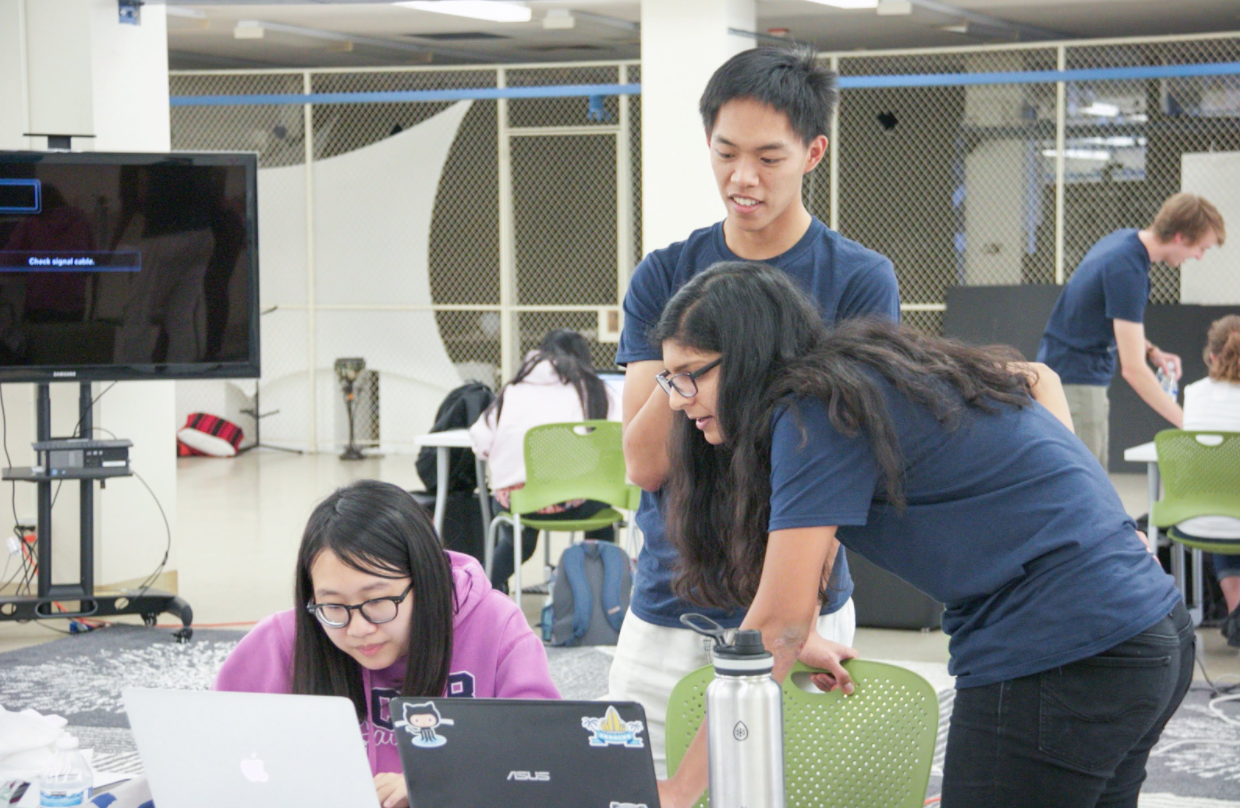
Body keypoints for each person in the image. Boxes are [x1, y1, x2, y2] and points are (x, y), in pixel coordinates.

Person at [654, 262, 1191, 808]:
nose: (677, 398)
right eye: (668, 377)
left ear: (748, 355)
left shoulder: (809, 416)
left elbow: (776, 625)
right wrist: (1095, 523)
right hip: (1149, 630)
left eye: (691, 372)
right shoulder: (860, 380)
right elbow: (1037, 378)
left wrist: (679, 790)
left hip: (1062, 652)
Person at [610, 45, 900, 773]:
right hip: (670, 605)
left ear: (814, 153)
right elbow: (645, 464)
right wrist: (709, 343)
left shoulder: (857, 280)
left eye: (769, 157)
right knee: (645, 786)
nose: (743, 179)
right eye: (726, 153)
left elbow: (850, 465)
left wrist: (791, 619)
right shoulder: (667, 275)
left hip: (805, 605)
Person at [214, 480, 559, 808]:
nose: (359, 628)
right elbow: (210, 744)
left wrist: (440, 783)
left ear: (425, 580)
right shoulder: (286, 640)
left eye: (377, 602)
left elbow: (545, 756)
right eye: (333, 606)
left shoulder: (495, 627)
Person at [1038, 193, 1225, 469]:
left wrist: (1150, 350)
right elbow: (1134, 371)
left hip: (1074, 376)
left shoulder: (1124, 242)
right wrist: (1189, 424)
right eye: (1201, 248)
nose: (1198, 257)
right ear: (1180, 237)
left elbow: (1109, 317)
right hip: (1075, 383)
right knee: (1087, 483)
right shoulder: (1127, 271)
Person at [469, 329, 621, 591]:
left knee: (518, 541)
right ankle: (596, 590)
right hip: (577, 501)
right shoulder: (597, 390)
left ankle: (478, 592)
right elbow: (618, 437)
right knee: (605, 509)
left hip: (523, 501)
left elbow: (481, 444)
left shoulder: (514, 390)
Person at [1181, 314, 1240, 647]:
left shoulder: (1194, 393)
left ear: (1213, 356)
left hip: (1200, 519)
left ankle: (1236, 611)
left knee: (1224, 497)